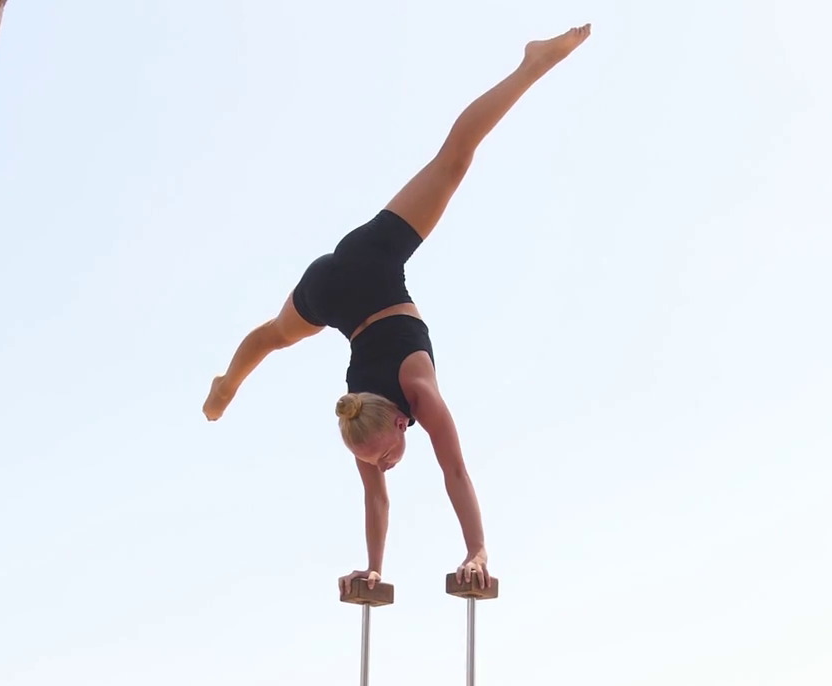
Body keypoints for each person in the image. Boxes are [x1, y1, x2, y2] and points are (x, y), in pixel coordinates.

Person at [203, 25, 592, 598]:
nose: (384, 466)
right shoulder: (361, 424)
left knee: (453, 162)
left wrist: (476, 547)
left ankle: (531, 65)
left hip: (367, 266)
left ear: (393, 420)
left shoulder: (417, 391)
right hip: (332, 290)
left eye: (382, 456)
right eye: (380, 459)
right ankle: (227, 383)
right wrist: (375, 568)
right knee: (272, 337)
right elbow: (376, 498)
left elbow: (453, 471)